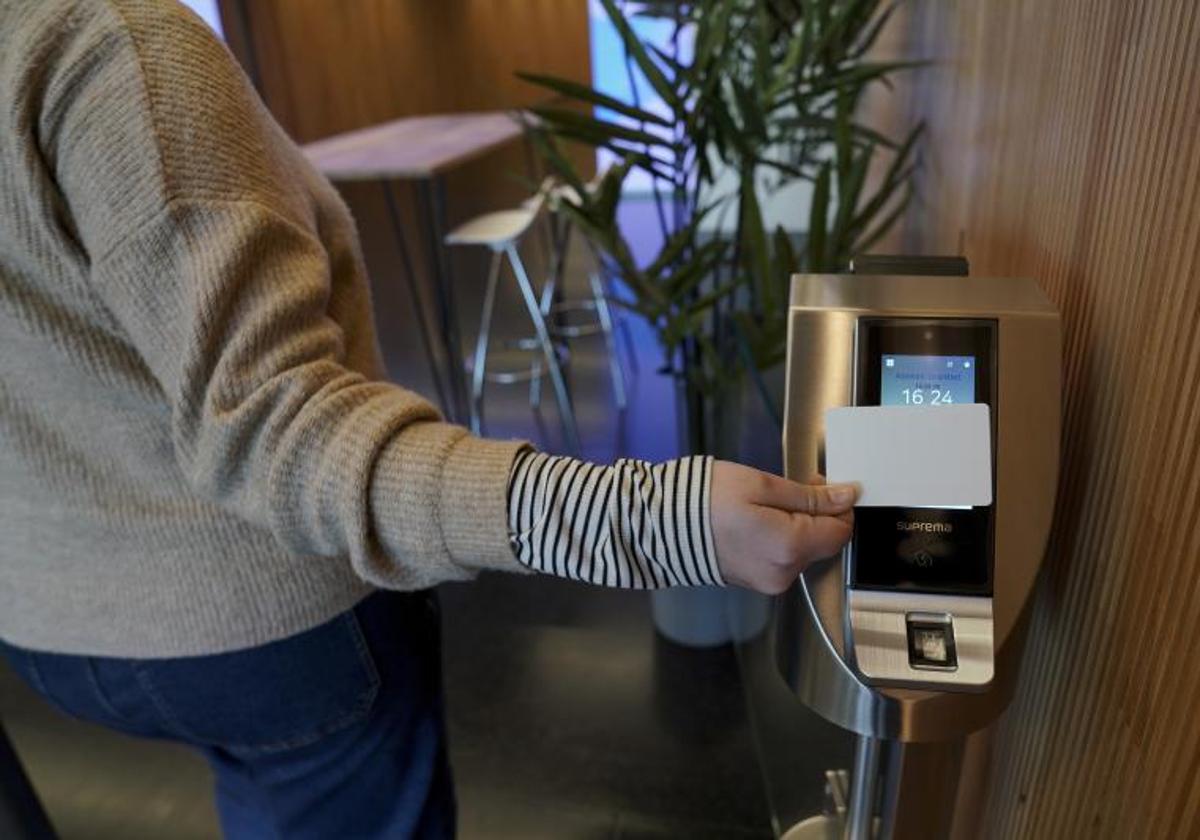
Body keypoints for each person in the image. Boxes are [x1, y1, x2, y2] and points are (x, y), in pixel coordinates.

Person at [0, 1, 856, 837]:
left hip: (44, 628)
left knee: (257, 773)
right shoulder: (111, 46)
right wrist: (651, 519)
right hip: (258, 626)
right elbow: (278, 431)